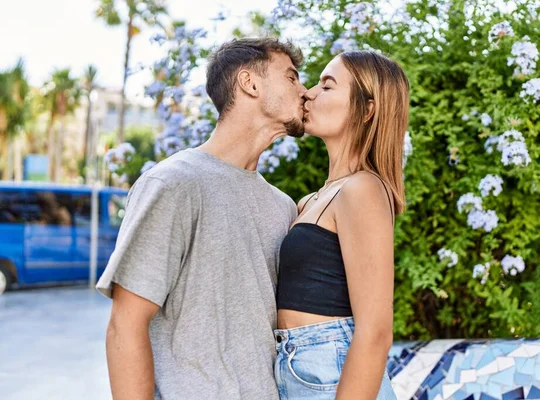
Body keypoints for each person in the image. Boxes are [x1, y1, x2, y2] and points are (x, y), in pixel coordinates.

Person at [96, 37, 307, 400]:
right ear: (250, 83)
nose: (305, 91)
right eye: (291, 77)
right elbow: (125, 325)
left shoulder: (283, 206)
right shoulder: (174, 183)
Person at [274, 51, 410, 399]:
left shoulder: (362, 189)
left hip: (333, 370)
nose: (309, 93)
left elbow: (375, 331)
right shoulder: (310, 201)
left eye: (327, 85)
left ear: (367, 110)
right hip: (297, 368)